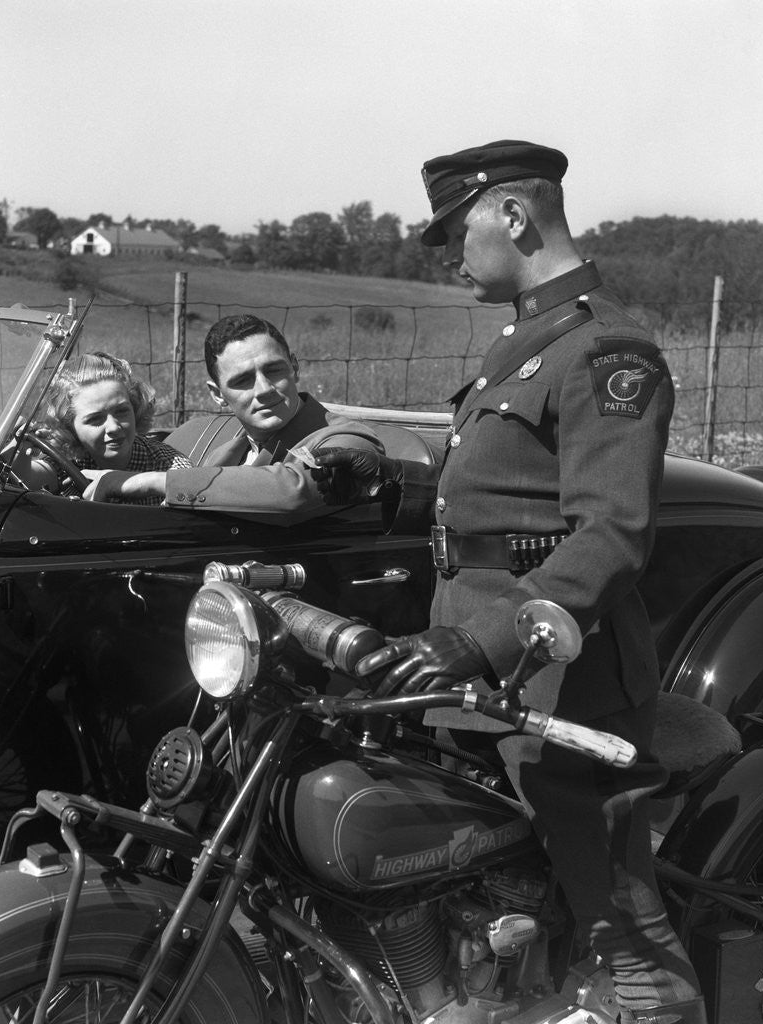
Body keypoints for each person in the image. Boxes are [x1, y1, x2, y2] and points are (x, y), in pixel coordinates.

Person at [315, 141, 706, 1024]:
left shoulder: (607, 348)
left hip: (561, 684)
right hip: (476, 677)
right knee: (480, 892)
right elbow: (500, 496)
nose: (452, 252)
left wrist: (479, 642)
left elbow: (611, 538)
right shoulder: (528, 339)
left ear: (514, 215)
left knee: (623, 931)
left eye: (456, 229)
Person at [83, 314, 382, 521]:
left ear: (295, 368)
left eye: (274, 370)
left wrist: (147, 482)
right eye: (243, 381)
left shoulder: (345, 440)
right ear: (217, 394)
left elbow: (293, 491)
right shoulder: (225, 451)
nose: (264, 390)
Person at [39, 351, 191, 505]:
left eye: (121, 411)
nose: (113, 427)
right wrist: (18, 453)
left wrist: (147, 482)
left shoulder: (167, 464)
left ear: (136, 407)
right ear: (69, 427)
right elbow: (30, 477)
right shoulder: (65, 462)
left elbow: (199, 488)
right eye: (95, 419)